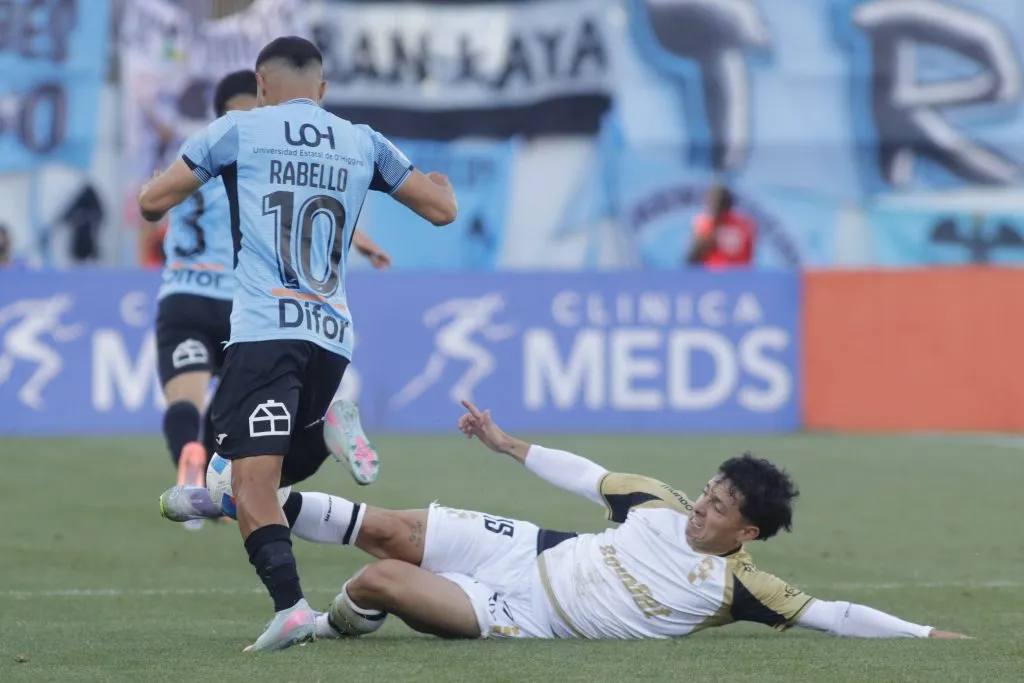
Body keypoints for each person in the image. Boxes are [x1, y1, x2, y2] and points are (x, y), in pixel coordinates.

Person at [161, 399, 968, 644]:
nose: (703, 506)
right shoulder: (657, 500)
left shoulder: (742, 586)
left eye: (721, 506)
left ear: (746, 532)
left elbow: (834, 614)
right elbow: (586, 476)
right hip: (530, 547)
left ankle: (326, 628)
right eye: (710, 489)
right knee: (391, 529)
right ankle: (239, 498)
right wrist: (508, 444)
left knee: (375, 581)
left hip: (525, 613)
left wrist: (931, 638)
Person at [137, 36, 457, 652]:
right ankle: (313, 433)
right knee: (265, 473)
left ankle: (289, 608)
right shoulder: (363, 140)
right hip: (331, 335)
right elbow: (441, 209)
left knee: (253, 485)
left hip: (264, 327)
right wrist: (438, 182)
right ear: (323, 89)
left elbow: (154, 204)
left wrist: (165, 183)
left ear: (260, 85)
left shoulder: (237, 131)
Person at [155, 70, 394, 530]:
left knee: (184, 397)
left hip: (184, 294)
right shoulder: (264, 151)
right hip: (247, 303)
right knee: (239, 413)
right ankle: (226, 479)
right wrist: (359, 239)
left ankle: (192, 458)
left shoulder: (195, 150)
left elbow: (154, 206)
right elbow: (298, 207)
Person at [685, 183, 755, 268]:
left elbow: (692, 258)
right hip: (717, 275)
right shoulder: (745, 223)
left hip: (730, 275)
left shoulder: (743, 225)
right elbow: (691, 259)